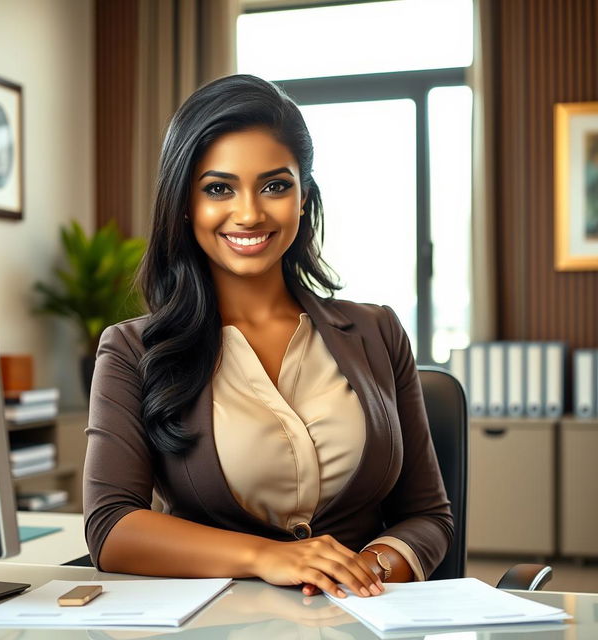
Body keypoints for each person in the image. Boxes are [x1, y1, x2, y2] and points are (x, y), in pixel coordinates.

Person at [83, 74, 453, 600]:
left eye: (276, 185)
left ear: (304, 199)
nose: (250, 212)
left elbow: (427, 515)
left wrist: (361, 570)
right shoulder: (130, 351)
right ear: (185, 204)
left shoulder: (377, 332)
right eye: (219, 188)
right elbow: (111, 528)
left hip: (360, 620)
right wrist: (269, 557)